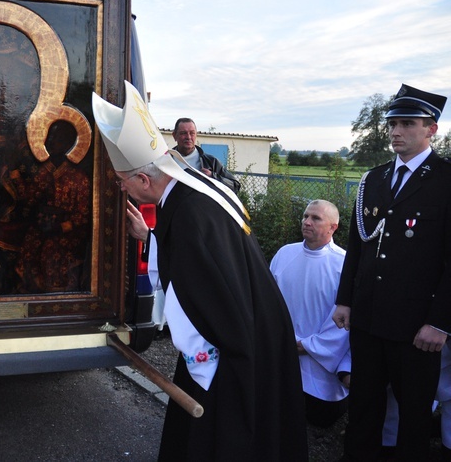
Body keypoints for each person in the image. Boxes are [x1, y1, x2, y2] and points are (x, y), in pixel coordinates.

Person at [92, 81, 308, 461]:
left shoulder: (192, 213)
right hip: (252, 324)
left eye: (124, 182)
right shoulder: (195, 192)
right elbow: (201, 264)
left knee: (221, 432)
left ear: (145, 179)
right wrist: (152, 237)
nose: (123, 191)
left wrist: (199, 358)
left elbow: (200, 293)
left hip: (232, 344)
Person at [333, 84, 450, 460]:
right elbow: (358, 247)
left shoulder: (446, 180)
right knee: (364, 406)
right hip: (368, 317)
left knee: (414, 415)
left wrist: (441, 322)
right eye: (393, 124)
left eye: (407, 124)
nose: (396, 132)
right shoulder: (375, 179)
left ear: (431, 129)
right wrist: (345, 300)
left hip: (416, 326)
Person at [270, 199, 351, 428]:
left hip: (320, 364)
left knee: (318, 420)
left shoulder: (343, 264)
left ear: (333, 227)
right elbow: (269, 301)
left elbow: (344, 317)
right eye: (306, 216)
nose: (307, 222)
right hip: (282, 352)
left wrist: (308, 346)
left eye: (316, 218)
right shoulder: (285, 254)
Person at [171, 117, 240, 193]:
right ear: (174, 136)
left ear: (196, 135)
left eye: (192, 133)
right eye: (183, 133)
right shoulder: (166, 161)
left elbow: (235, 186)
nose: (188, 137)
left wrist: (212, 177)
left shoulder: (211, 162)